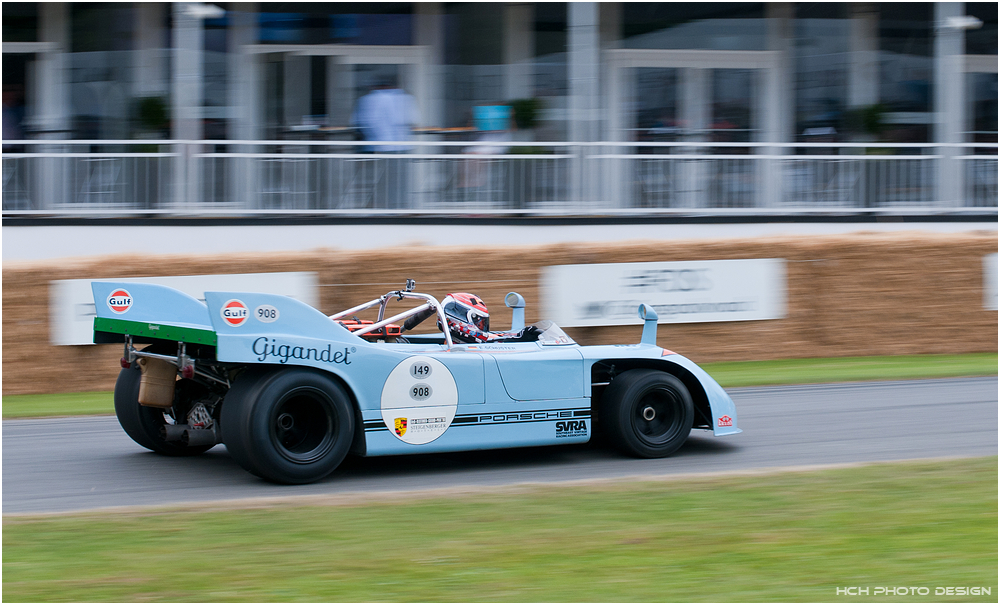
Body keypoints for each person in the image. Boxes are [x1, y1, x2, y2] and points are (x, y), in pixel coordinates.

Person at [351, 77, 419, 209]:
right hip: (398, 146)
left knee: (381, 180)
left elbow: (361, 122)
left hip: (378, 147)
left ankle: (380, 206)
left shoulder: (367, 100)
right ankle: (396, 207)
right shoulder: (404, 98)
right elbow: (412, 121)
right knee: (397, 180)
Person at [401, 292, 541, 344]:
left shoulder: (461, 344)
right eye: (479, 322)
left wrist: (520, 335)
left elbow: (490, 337)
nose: (482, 327)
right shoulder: (456, 351)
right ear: (461, 319)